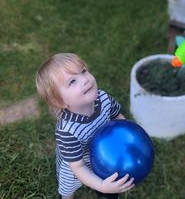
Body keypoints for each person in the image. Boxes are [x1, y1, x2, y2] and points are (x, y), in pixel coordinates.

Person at [35, 53, 135, 199]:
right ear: (60, 102)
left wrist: (129, 136)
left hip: (104, 154)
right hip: (76, 164)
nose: (84, 80)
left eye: (83, 71)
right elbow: (78, 167)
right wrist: (101, 186)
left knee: (105, 181)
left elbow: (119, 118)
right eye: (72, 81)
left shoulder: (104, 99)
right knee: (68, 189)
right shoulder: (67, 131)